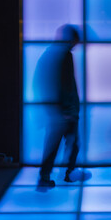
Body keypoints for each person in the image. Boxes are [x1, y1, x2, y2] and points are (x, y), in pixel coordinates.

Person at [34, 24, 80, 187]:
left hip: (56, 110)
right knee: (71, 144)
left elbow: (41, 82)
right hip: (65, 111)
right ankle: (67, 173)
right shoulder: (64, 55)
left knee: (55, 144)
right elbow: (67, 85)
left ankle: (47, 176)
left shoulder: (50, 54)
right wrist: (69, 109)